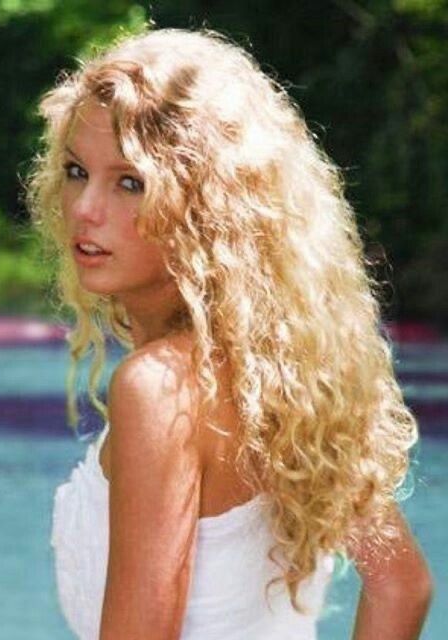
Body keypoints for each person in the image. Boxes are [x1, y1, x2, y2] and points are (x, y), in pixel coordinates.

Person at [27, 27, 434, 640]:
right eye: (78, 171)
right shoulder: (288, 372)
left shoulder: (159, 388)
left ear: (207, 207)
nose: (85, 207)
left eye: (130, 182)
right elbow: (402, 586)